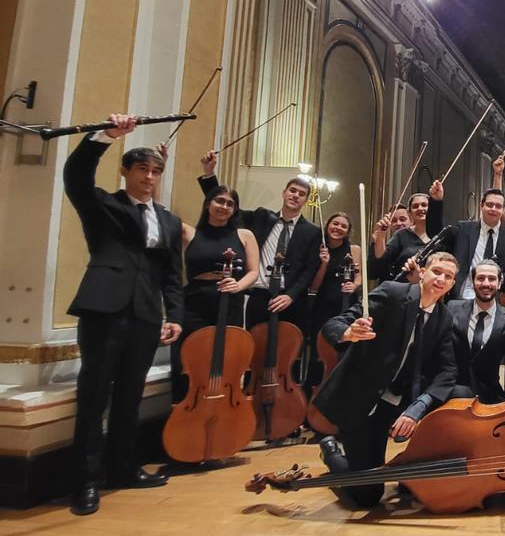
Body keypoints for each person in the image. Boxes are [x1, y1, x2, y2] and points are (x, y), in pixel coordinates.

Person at [63, 115, 183, 515]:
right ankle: (84, 481)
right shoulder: (104, 205)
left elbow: (171, 274)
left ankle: (123, 468)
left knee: (130, 397)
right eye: (142, 170)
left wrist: (175, 315)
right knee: (94, 395)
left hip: (146, 314)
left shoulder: (168, 220)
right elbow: (76, 175)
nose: (149, 178)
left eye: (155, 171)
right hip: (104, 309)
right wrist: (104, 137)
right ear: (126, 172)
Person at [313, 252, 459, 507]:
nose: (441, 279)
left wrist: (419, 407)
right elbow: (336, 323)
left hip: (389, 406)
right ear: (422, 271)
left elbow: (447, 371)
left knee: (459, 393)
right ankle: (332, 452)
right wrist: (349, 333)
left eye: (448, 276)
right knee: (367, 497)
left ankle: (361, 467)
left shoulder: (444, 317)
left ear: (453, 285)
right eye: (437, 271)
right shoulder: (393, 293)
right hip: (358, 401)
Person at [199, 150, 321, 330]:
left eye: (301, 194)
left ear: (305, 200)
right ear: (284, 193)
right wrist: (209, 174)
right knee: (253, 348)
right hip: (259, 297)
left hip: (289, 300)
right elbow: (226, 207)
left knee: (284, 353)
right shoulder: (262, 217)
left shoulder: (312, 231)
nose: (295, 195)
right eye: (292, 191)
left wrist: (291, 296)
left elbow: (310, 269)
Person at [173, 186, 260, 402]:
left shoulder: (244, 235)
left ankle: (220, 413)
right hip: (195, 302)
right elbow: (158, 213)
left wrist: (238, 286)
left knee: (225, 361)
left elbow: (254, 271)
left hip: (230, 302)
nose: (224, 206)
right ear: (207, 204)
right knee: (189, 361)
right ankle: (185, 413)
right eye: (219, 201)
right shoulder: (189, 232)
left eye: (230, 204)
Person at [446, 260, 505, 403]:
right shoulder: (453, 307)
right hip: (453, 395)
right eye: (480, 278)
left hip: (491, 397)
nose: (486, 284)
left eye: (492, 279)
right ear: (473, 282)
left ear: (499, 283)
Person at [305, 213, 362, 386]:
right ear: (328, 225)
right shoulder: (319, 249)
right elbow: (314, 287)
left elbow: (359, 277)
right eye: (335, 223)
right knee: (319, 352)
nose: (338, 228)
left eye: (343, 226)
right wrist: (324, 264)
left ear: (348, 231)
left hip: (347, 307)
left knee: (346, 350)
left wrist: (354, 285)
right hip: (323, 307)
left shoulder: (354, 250)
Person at [443, 188, 505, 299]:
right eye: (490, 205)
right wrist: (436, 201)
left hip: (494, 300)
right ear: (481, 206)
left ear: (503, 210)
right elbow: (434, 234)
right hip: (461, 298)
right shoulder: (463, 229)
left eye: (498, 206)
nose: (493, 209)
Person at [368, 183, 444, 280]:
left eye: (424, 205)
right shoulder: (401, 234)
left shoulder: (440, 233)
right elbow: (382, 258)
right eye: (415, 206)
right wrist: (381, 236)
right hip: (405, 288)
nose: (420, 208)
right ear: (409, 213)